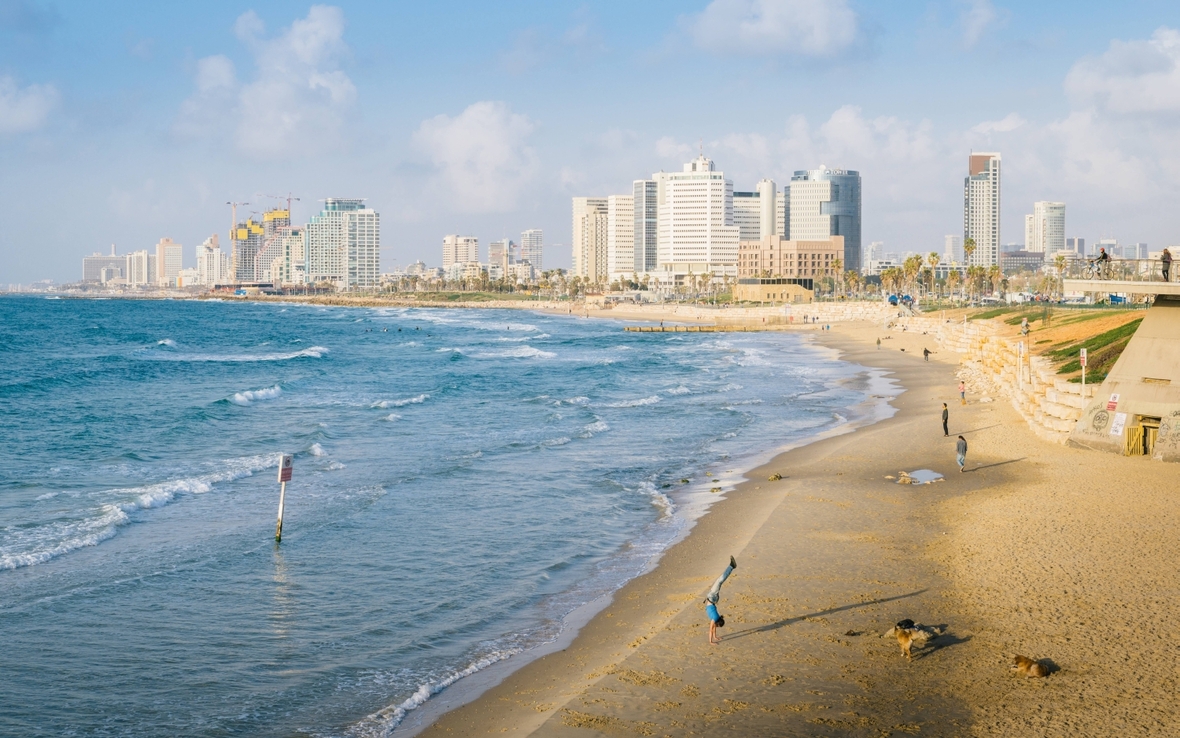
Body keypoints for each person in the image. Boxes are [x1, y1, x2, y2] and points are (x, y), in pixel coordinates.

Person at [704, 556, 737, 645]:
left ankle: (731, 566)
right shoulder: (714, 619)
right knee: (719, 581)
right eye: (718, 626)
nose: (716, 627)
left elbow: (713, 628)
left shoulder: (716, 618)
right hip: (712, 597)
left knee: (719, 581)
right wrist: (711, 642)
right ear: (718, 623)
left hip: (713, 599)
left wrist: (715, 637)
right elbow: (711, 629)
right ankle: (731, 566)